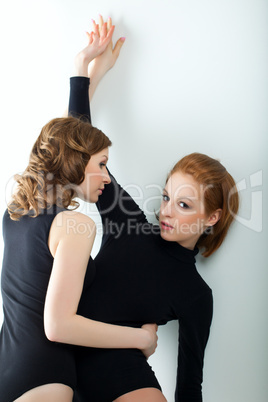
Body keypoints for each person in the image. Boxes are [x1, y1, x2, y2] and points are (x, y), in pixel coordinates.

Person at [68, 16, 239, 402]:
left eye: (183, 205)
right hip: (63, 352)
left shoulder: (197, 295)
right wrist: (83, 69)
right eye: (166, 197)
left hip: (122, 372)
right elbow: (81, 150)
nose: (166, 211)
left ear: (211, 217)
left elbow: (189, 382)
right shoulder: (130, 223)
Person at [0, 23, 158, 402]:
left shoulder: (17, 210)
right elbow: (58, 326)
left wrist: (84, 70)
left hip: (8, 369)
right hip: (46, 381)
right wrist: (142, 337)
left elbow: (69, 138)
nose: (106, 176)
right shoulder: (75, 223)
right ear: (75, 162)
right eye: (102, 164)